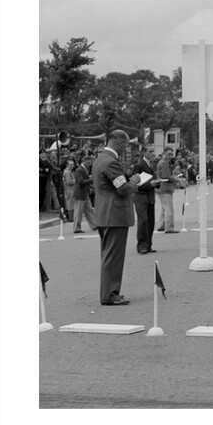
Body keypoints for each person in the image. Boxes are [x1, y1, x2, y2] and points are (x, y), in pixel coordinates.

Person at [92, 130, 141, 306]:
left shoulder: (100, 159)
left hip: (105, 214)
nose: (126, 149)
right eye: (126, 145)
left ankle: (109, 292)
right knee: (113, 256)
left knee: (108, 255)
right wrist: (135, 180)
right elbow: (123, 189)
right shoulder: (111, 162)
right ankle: (110, 294)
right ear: (119, 142)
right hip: (114, 215)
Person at [132, 144, 160, 254]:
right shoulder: (139, 165)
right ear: (144, 152)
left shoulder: (151, 165)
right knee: (143, 221)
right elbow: (136, 184)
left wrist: (157, 183)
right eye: (150, 151)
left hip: (150, 197)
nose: (153, 153)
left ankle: (148, 244)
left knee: (150, 222)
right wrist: (150, 184)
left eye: (153, 151)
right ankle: (142, 245)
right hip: (141, 197)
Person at [155, 147, 180, 233]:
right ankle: (169, 227)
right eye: (169, 154)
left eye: (171, 154)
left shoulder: (160, 162)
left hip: (160, 188)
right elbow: (166, 176)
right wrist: (175, 179)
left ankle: (161, 225)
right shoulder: (164, 163)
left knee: (164, 208)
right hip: (165, 188)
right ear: (164, 153)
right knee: (169, 209)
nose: (170, 156)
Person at [72, 154, 97, 233]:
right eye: (89, 163)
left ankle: (95, 225)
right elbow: (80, 182)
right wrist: (91, 179)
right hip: (80, 194)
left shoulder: (84, 169)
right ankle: (76, 228)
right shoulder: (79, 170)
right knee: (78, 212)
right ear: (84, 161)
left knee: (89, 209)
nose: (90, 165)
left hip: (85, 193)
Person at [62, 158, 77, 222]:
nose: (72, 166)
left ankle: (71, 217)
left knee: (72, 204)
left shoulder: (70, 172)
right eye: (70, 164)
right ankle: (70, 218)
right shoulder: (67, 172)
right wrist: (76, 179)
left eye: (73, 164)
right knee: (70, 204)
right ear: (67, 165)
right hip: (69, 190)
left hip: (71, 190)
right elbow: (69, 182)